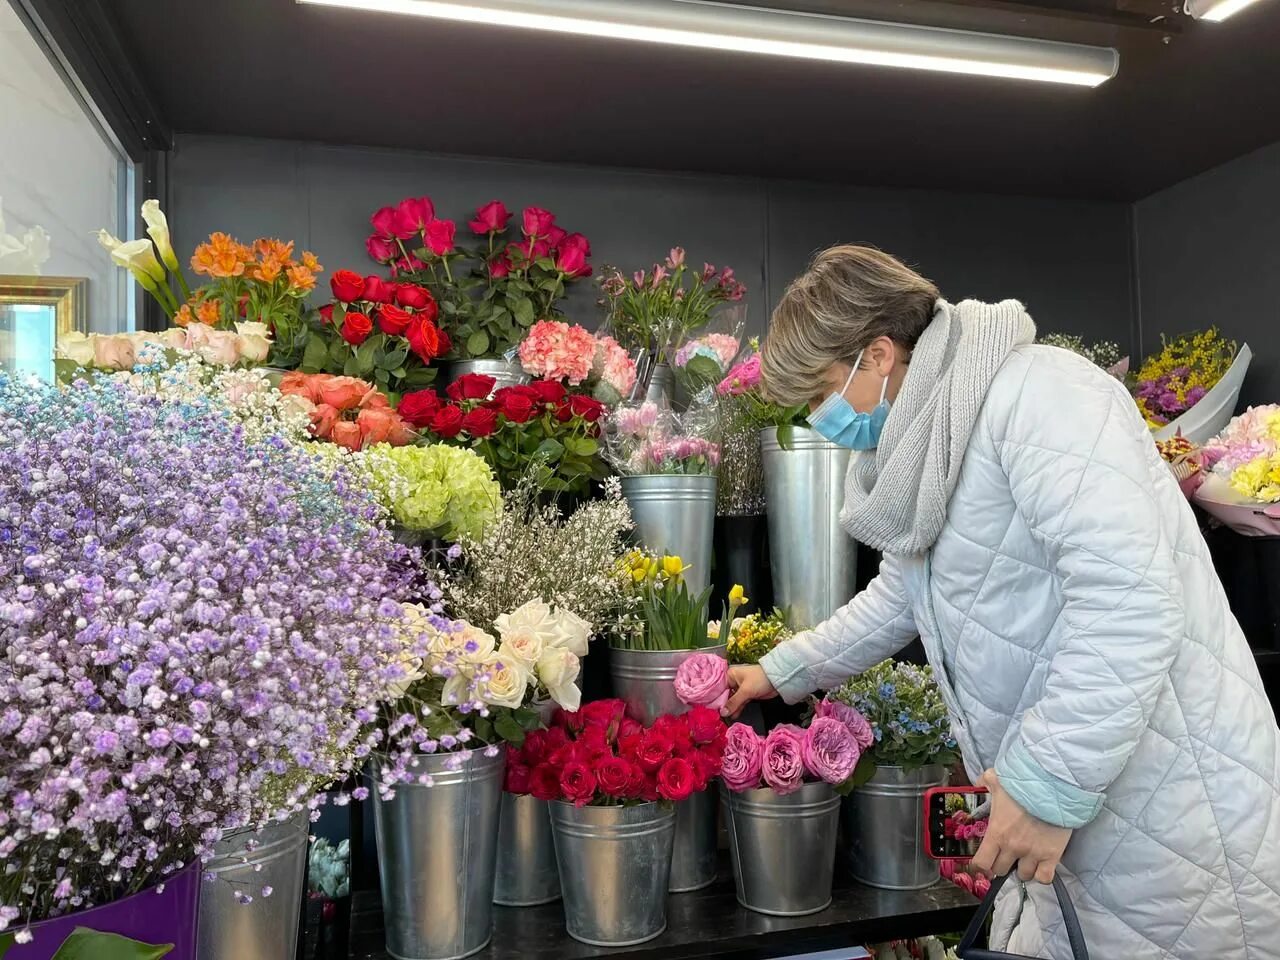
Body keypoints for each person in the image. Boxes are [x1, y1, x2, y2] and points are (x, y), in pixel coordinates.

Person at [725, 245, 1280, 958]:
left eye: (819, 393)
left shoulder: (1038, 395)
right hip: (1086, 806)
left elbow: (1129, 601)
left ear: (879, 355)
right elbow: (903, 593)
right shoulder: (930, 443)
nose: (816, 418)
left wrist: (1045, 785)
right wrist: (782, 671)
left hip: (1173, 818)